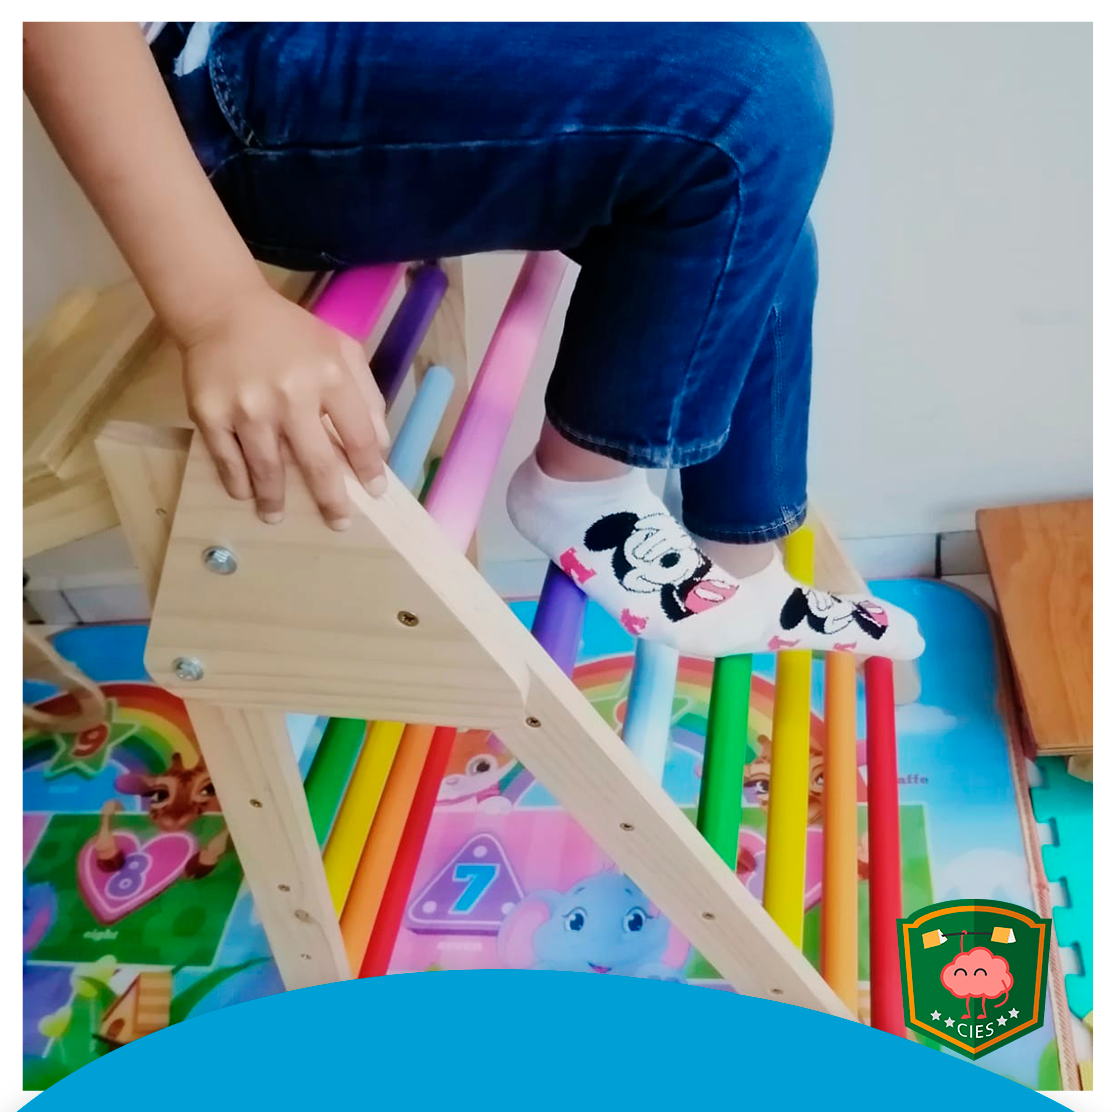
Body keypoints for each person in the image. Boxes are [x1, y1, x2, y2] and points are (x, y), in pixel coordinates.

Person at [24, 22, 924, 661]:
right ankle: (585, 490)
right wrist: (218, 306)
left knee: (757, 208)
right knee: (754, 93)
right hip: (243, 78)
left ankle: (746, 562)